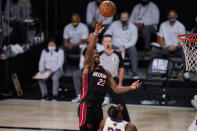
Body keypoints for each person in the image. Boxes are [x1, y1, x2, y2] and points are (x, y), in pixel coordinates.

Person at [78, 19, 142, 131]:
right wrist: (95, 35)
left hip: (98, 107)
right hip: (86, 106)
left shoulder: (105, 72)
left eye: (97, 52)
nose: (96, 54)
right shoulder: (88, 68)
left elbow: (116, 89)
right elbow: (89, 51)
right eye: (93, 53)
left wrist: (130, 87)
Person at [99, 34, 130, 121]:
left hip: (113, 80)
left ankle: (126, 122)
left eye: (109, 41)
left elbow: (121, 69)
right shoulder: (99, 54)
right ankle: (95, 121)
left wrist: (120, 83)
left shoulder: (117, 54)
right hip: (101, 80)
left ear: (112, 42)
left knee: (120, 103)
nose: (108, 43)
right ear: (102, 43)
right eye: (106, 41)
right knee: (95, 102)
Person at [71, 32, 104, 102]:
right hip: (86, 69)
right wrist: (85, 69)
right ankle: (79, 95)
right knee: (76, 74)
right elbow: (81, 62)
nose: (91, 39)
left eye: (92, 38)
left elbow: (102, 62)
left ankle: (103, 97)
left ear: (97, 39)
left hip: (97, 70)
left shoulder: (101, 48)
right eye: (90, 38)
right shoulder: (84, 48)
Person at [105, 11, 139, 79]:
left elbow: (133, 41)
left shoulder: (133, 27)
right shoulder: (114, 24)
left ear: (129, 18)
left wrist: (124, 47)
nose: (124, 20)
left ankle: (134, 72)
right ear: (120, 18)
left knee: (133, 50)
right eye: (122, 18)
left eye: (125, 18)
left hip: (127, 47)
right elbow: (106, 34)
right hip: (115, 45)